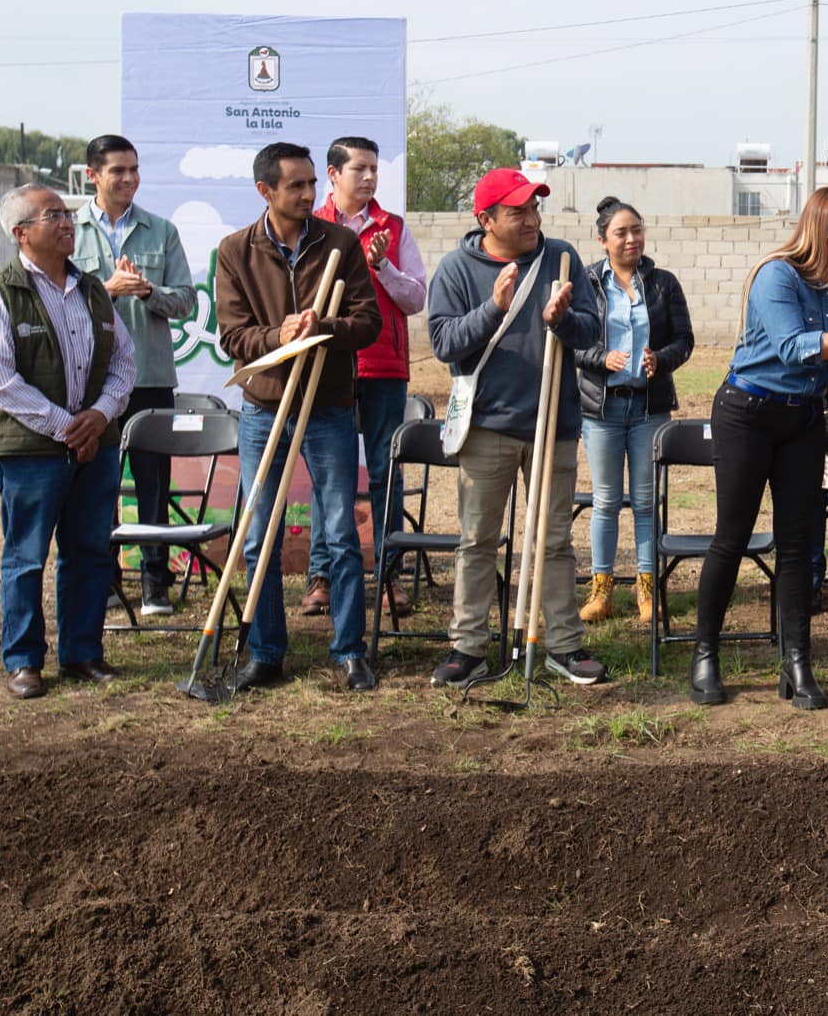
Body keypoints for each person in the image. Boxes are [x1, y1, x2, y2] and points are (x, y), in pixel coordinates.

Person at [689, 187, 828, 710]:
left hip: (804, 418)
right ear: (825, 227)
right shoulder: (777, 275)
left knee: (798, 543)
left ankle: (796, 663)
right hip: (746, 413)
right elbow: (792, 348)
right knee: (731, 537)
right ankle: (704, 654)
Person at [425, 168, 607, 689]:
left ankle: (564, 646)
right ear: (487, 219)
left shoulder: (561, 258)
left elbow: (591, 331)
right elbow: (444, 342)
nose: (532, 220)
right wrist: (493, 309)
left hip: (554, 423)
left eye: (534, 209)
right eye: (518, 211)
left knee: (552, 540)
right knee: (478, 539)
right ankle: (468, 647)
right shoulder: (458, 269)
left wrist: (562, 321)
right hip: (486, 425)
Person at [216, 142, 382, 693]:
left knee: (338, 531)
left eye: (313, 183)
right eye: (297, 186)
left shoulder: (341, 244)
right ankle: (265, 653)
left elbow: (369, 322)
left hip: (329, 406)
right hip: (264, 408)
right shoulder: (235, 251)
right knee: (258, 535)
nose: (310, 194)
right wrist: (279, 335)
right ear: (266, 190)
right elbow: (233, 336)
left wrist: (325, 328)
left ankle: (350, 650)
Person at [0, 184, 136, 699]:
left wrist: (99, 416)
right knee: (26, 556)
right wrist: (69, 424)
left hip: (95, 446)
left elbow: (123, 363)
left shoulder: (92, 290)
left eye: (67, 214)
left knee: (88, 552)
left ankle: (83, 654)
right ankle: (23, 660)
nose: (67, 222)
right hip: (34, 452)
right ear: (22, 233)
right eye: (53, 215)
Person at [70, 133, 197, 617]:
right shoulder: (69, 230)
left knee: (154, 486)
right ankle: (100, 581)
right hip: (89, 383)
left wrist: (147, 292)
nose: (128, 179)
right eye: (117, 171)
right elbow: (59, 299)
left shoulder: (161, 231)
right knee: (95, 484)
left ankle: (154, 584)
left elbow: (186, 300)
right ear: (93, 175)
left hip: (149, 377)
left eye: (134, 170)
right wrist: (107, 290)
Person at [305, 136, 428, 619]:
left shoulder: (393, 228)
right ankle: (323, 577)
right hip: (327, 365)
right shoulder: (311, 227)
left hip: (384, 368)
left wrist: (383, 265)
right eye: (360, 168)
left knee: (385, 473)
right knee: (328, 477)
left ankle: (389, 576)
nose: (370, 177)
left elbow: (416, 299)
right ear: (333, 174)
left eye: (375, 169)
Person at [574, 196, 694, 625]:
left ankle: (647, 591)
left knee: (646, 502)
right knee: (606, 502)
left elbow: (684, 340)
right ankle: (601, 591)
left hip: (649, 410)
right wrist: (597, 357)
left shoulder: (663, 283)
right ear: (602, 239)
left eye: (637, 230)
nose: (631, 239)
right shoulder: (585, 282)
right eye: (621, 233)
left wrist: (660, 359)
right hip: (601, 411)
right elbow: (569, 338)